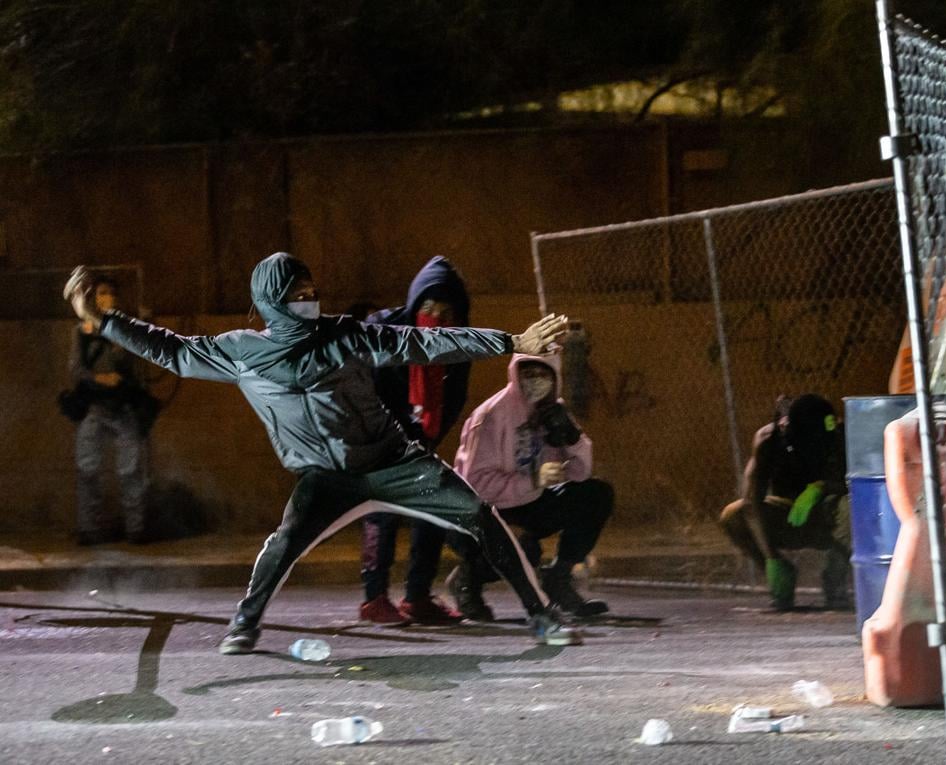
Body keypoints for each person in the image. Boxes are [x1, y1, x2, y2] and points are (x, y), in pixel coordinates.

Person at [64, 253, 580, 653]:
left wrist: (511, 341)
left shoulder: (345, 335)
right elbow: (171, 350)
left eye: (312, 292)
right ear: (272, 301)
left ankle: (540, 615)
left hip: (392, 461)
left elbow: (420, 344)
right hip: (325, 477)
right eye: (298, 295)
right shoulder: (241, 353)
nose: (309, 300)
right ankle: (244, 623)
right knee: (286, 541)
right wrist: (105, 320)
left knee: (478, 515)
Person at [452, 353, 613, 620]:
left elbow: (580, 473)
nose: (536, 381)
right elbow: (475, 485)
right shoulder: (492, 415)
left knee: (595, 494)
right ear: (516, 374)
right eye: (529, 374)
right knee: (525, 550)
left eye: (543, 374)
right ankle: (468, 580)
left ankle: (558, 579)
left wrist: (573, 440)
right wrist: (534, 480)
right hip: (481, 512)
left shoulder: (551, 409)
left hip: (528, 499)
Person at [358, 256, 473, 626]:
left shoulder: (458, 346)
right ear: (414, 305)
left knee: (435, 502)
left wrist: (424, 442)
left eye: (445, 311)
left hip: (419, 439)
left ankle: (417, 596)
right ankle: (374, 598)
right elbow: (364, 391)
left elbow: (453, 399)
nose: (435, 318)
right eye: (428, 308)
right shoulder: (384, 331)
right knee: (382, 509)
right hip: (375, 440)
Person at [718, 395, 851, 611]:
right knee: (733, 515)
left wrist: (821, 487)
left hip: (830, 515)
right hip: (789, 516)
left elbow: (863, 486)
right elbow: (751, 502)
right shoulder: (769, 440)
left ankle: (834, 583)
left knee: (851, 507)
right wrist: (770, 557)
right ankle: (782, 576)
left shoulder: (839, 433)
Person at [66, 275, 153, 546]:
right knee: (87, 469)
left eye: (111, 294)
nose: (108, 299)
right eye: (103, 293)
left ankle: (136, 529)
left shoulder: (123, 328)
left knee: (130, 470)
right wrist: (98, 378)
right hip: (95, 407)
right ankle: (88, 529)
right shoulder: (81, 331)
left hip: (123, 407)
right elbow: (76, 369)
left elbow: (127, 360)